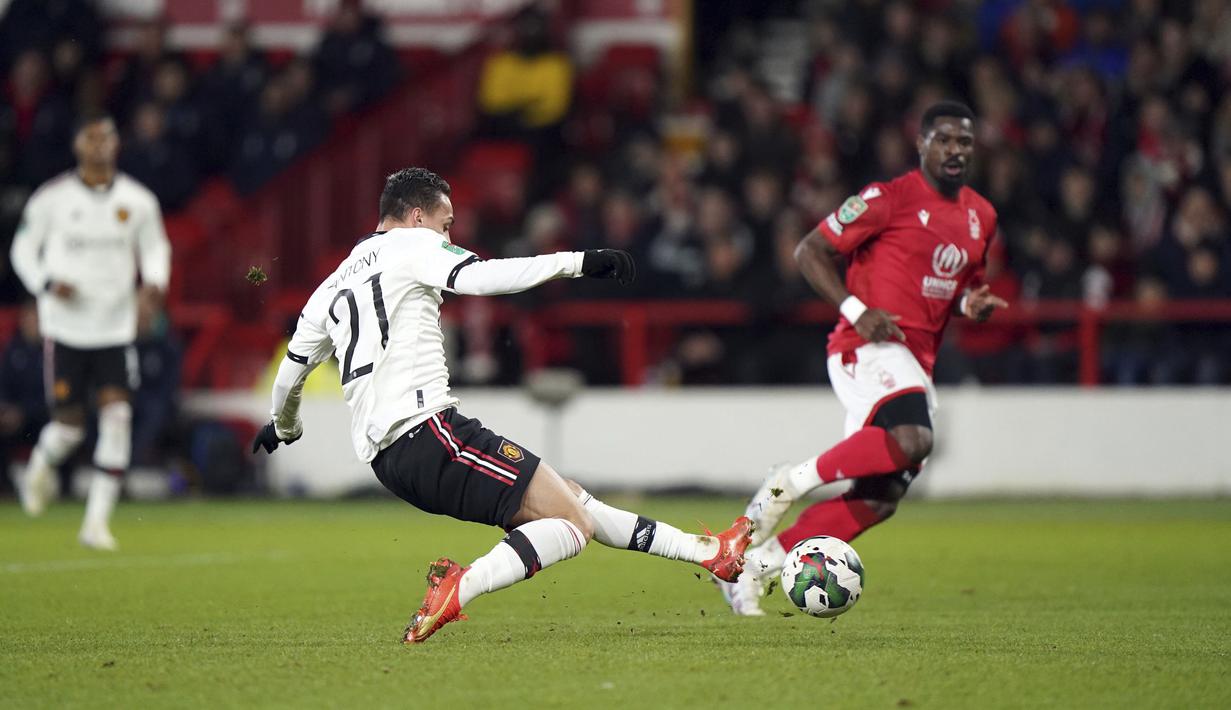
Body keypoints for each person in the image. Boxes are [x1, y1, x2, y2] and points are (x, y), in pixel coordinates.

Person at [253, 167, 752, 643]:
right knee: (571, 525)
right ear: (416, 216)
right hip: (429, 433)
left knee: (570, 500)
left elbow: (290, 374)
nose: (449, 235)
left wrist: (285, 426)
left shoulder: (331, 286)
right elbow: (483, 279)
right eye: (446, 224)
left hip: (393, 460)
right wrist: (578, 262)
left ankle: (710, 553)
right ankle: (458, 588)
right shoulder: (414, 244)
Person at [716, 102, 1009, 615]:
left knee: (881, 497)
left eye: (964, 142)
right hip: (864, 346)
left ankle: (755, 569)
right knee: (914, 439)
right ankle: (791, 479)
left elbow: (954, 286)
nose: (955, 150)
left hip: (915, 361)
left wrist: (968, 303)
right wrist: (858, 309)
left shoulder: (980, 216)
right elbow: (809, 251)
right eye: (943, 140)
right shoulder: (887, 198)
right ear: (921, 144)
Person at [9, 112, 171, 550]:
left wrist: (153, 285)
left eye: (106, 137)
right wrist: (45, 281)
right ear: (78, 145)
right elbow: (22, 247)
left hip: (115, 327)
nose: (99, 144)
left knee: (117, 417)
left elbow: (156, 247)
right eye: (91, 137)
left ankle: (96, 523)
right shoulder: (52, 199)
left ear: (116, 145)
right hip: (66, 328)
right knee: (70, 430)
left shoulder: (137, 201)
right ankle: (41, 464)